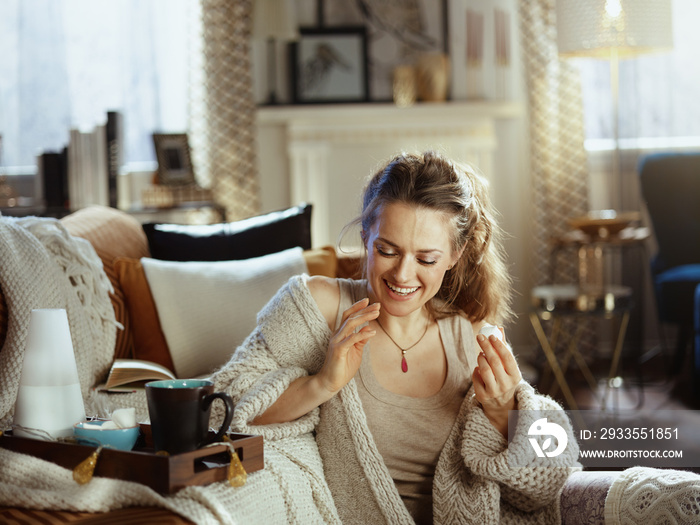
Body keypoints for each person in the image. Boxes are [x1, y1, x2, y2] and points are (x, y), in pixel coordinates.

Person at [213, 151, 579, 524]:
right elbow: (219, 407)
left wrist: (505, 413)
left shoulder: (471, 334)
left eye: (426, 260)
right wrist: (322, 383)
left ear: (455, 255)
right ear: (365, 237)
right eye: (386, 250)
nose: (403, 275)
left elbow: (544, 486)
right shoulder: (318, 305)